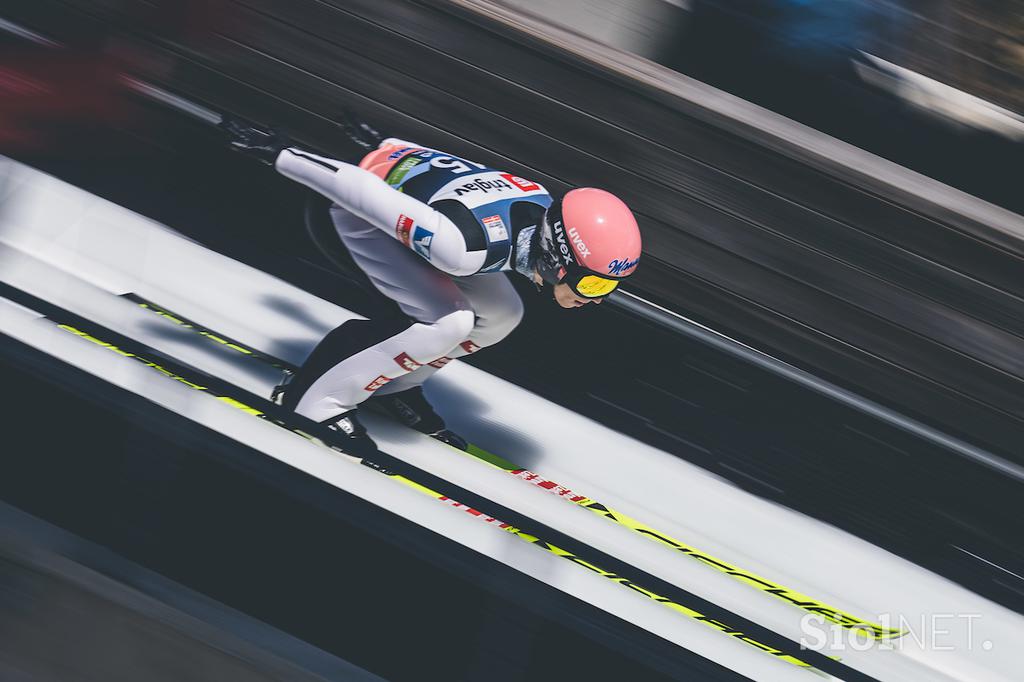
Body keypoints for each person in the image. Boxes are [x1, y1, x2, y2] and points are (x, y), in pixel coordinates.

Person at [224, 117, 642, 456]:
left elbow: (461, 171)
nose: (594, 299)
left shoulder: (539, 202)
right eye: (591, 283)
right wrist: (284, 154)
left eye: (608, 288)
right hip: (351, 214)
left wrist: (388, 144)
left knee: (503, 314)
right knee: (449, 322)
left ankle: (394, 387)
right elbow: (364, 191)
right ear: (557, 257)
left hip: (400, 203)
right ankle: (312, 403)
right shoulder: (462, 246)